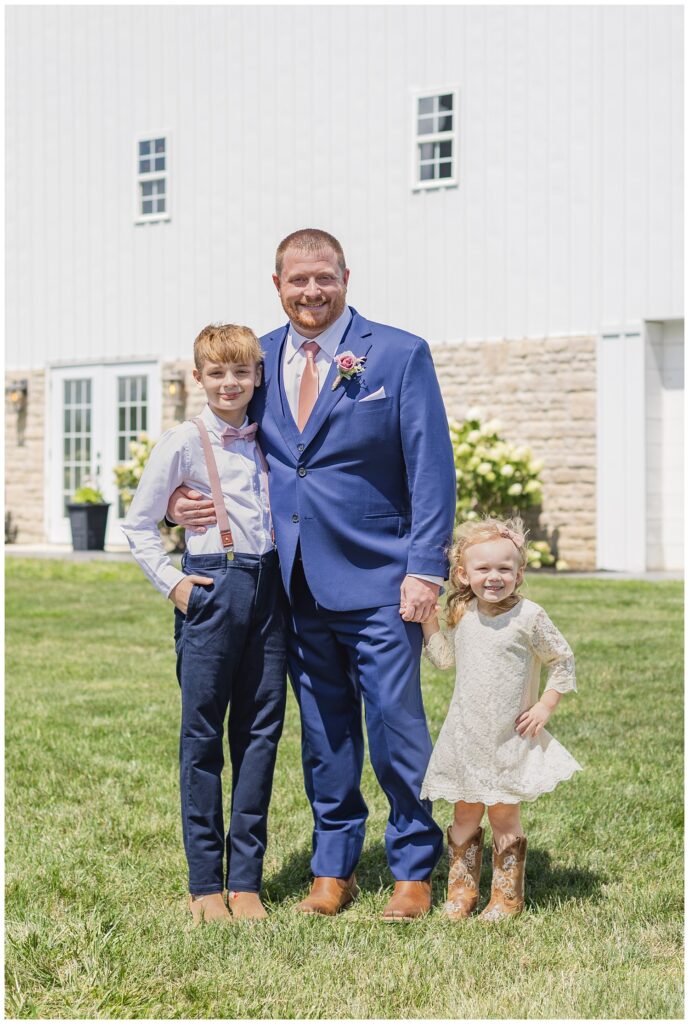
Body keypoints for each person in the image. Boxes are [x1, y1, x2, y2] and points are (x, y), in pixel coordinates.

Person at [168, 228, 457, 921]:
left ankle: (412, 867)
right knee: (325, 735)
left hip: (384, 582)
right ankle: (334, 869)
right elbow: (223, 441)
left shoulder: (396, 354)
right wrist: (181, 498)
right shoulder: (257, 358)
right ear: (277, 285)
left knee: (395, 727)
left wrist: (424, 570)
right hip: (289, 587)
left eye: (322, 277)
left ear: (345, 277)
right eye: (296, 280)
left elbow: (430, 468)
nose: (310, 292)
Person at [122, 324, 287, 925]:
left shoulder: (270, 436)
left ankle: (245, 881)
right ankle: (204, 885)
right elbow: (138, 524)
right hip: (213, 588)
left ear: (257, 377)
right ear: (199, 379)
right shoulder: (184, 442)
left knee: (260, 735)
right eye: (217, 374)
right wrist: (177, 585)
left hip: (272, 593)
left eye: (241, 373)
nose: (230, 383)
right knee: (202, 739)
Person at [419, 515, 582, 921]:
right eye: (483, 568)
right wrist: (428, 621)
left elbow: (562, 660)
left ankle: (506, 896)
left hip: (508, 735)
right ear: (463, 573)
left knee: (504, 812)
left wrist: (545, 705)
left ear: (519, 572)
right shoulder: (463, 614)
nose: (494, 577)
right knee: (465, 812)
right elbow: (443, 659)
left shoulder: (529, 616)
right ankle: (462, 893)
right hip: (467, 734)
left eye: (505, 569)